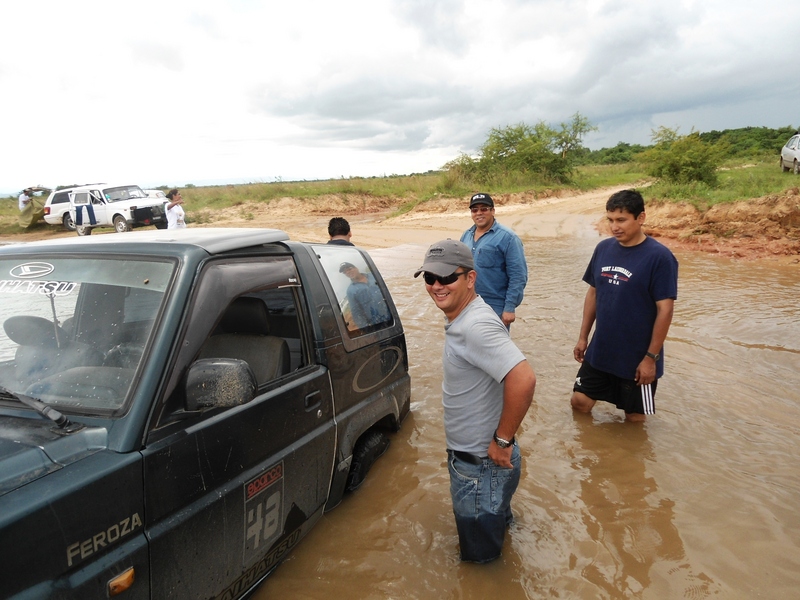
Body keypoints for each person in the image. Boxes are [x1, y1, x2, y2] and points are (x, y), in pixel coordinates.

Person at [414, 239, 536, 563]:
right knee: (496, 537)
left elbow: (523, 379)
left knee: (478, 564)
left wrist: (502, 439)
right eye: (430, 278)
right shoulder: (465, 317)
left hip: (481, 466)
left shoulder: (476, 325)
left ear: (470, 278)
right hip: (488, 464)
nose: (437, 286)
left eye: (447, 278)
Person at [570, 189, 679, 422]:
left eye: (621, 220)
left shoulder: (660, 257)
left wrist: (651, 358)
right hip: (602, 348)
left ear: (640, 218)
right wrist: (583, 337)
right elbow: (593, 293)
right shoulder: (603, 249)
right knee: (579, 403)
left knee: (635, 420)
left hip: (637, 354)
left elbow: (665, 309)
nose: (614, 226)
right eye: (610, 220)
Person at [460, 193, 528, 328]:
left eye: (484, 209)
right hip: (467, 304)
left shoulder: (508, 238)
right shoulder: (466, 236)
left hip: (495, 307)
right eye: (474, 210)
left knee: (493, 348)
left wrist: (509, 308)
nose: (479, 213)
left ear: (493, 211)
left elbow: (518, 276)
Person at [339, 261, 390, 329]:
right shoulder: (351, 291)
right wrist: (367, 329)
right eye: (345, 272)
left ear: (356, 268)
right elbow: (356, 312)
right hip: (377, 324)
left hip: (392, 316)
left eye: (349, 269)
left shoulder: (374, 276)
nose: (348, 272)